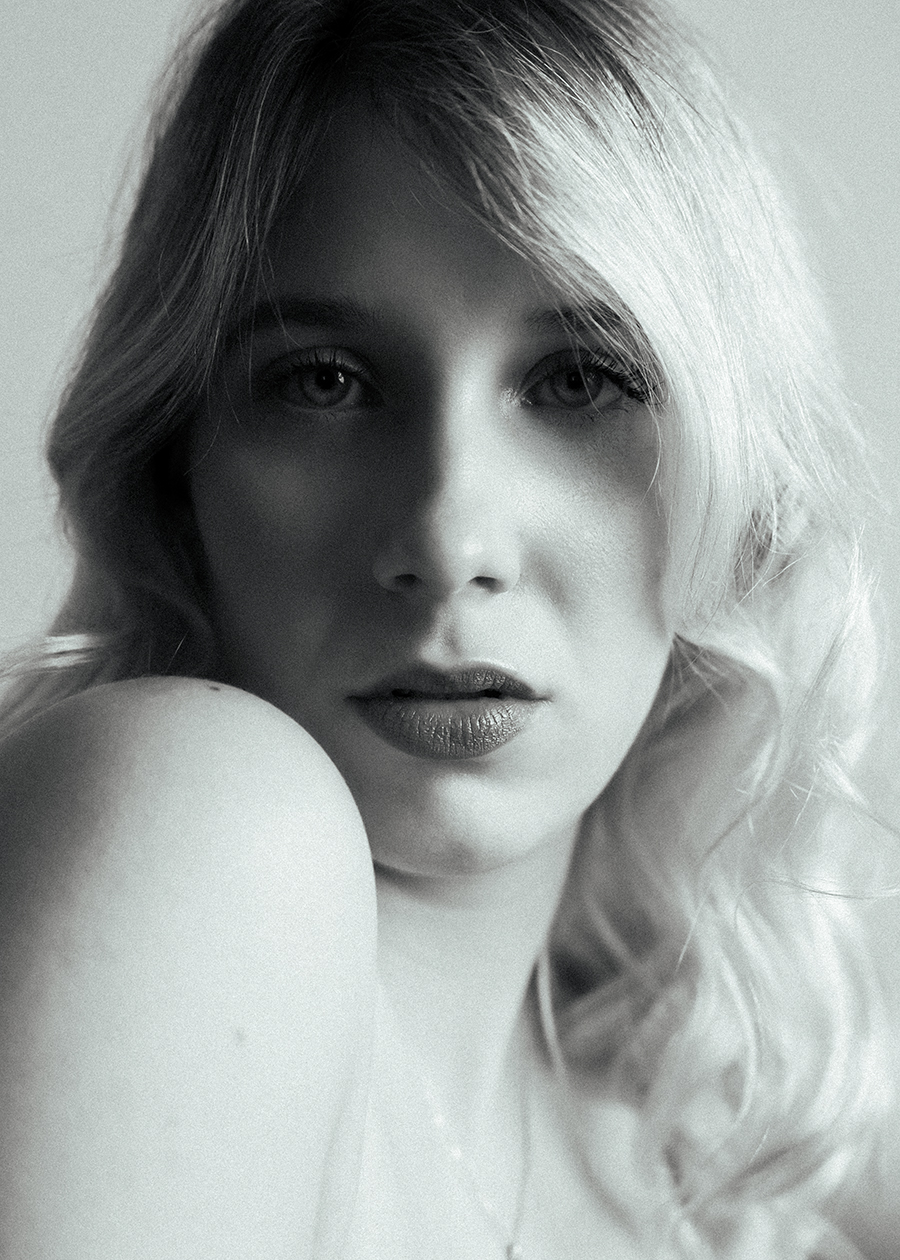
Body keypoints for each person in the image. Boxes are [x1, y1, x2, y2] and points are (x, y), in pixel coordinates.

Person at [0, 0, 888, 1255]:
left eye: (580, 379)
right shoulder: (199, 817)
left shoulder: (719, 1165)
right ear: (174, 468)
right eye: (324, 381)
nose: (449, 539)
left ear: (740, 484)